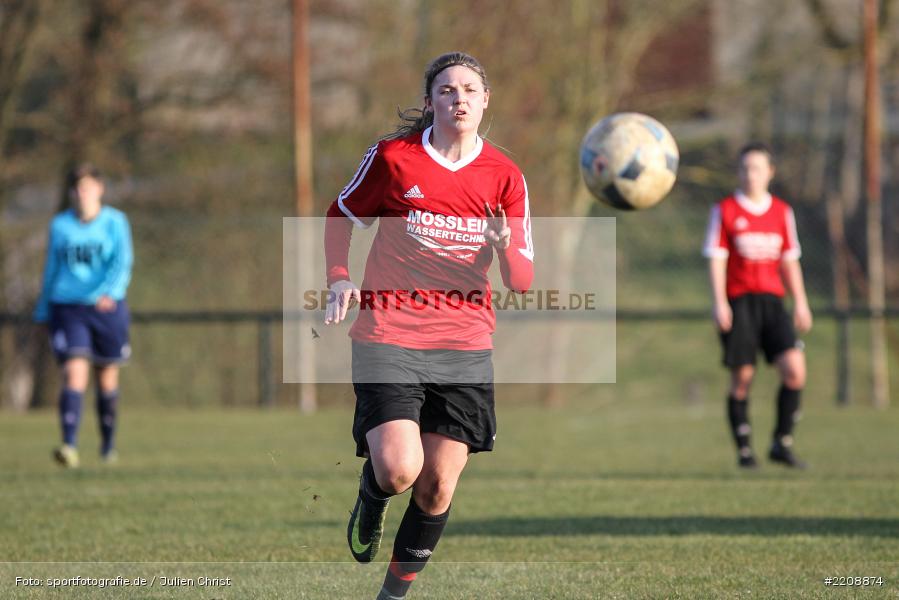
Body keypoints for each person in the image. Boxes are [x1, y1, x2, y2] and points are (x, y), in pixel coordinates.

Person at [323, 52, 533, 599]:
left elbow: (524, 280)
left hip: (462, 343)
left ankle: (391, 597)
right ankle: (372, 497)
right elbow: (340, 214)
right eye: (446, 89)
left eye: (469, 89)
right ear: (430, 102)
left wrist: (504, 250)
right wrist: (341, 277)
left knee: (437, 484)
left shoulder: (506, 177)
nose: (458, 97)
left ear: (486, 101)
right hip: (388, 332)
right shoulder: (395, 158)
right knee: (399, 470)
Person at [703, 143, 812, 469]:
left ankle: (781, 442)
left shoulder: (782, 212)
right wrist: (720, 302)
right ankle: (745, 451)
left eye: (757, 168)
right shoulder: (724, 210)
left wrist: (801, 302)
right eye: (744, 168)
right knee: (743, 378)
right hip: (740, 303)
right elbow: (717, 261)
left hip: (773, 302)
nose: (750, 174)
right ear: (738, 173)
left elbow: (790, 261)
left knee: (794, 371)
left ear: (770, 172)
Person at [34, 163, 134, 468]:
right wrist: (43, 307)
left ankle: (107, 446)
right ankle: (69, 445)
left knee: (106, 377)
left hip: (106, 307)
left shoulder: (115, 222)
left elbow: (123, 260)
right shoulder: (60, 225)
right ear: (71, 193)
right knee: (74, 372)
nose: (82, 194)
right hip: (67, 306)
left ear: (99, 189)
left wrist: (110, 291)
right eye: (77, 189)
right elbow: (52, 267)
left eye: (88, 187)